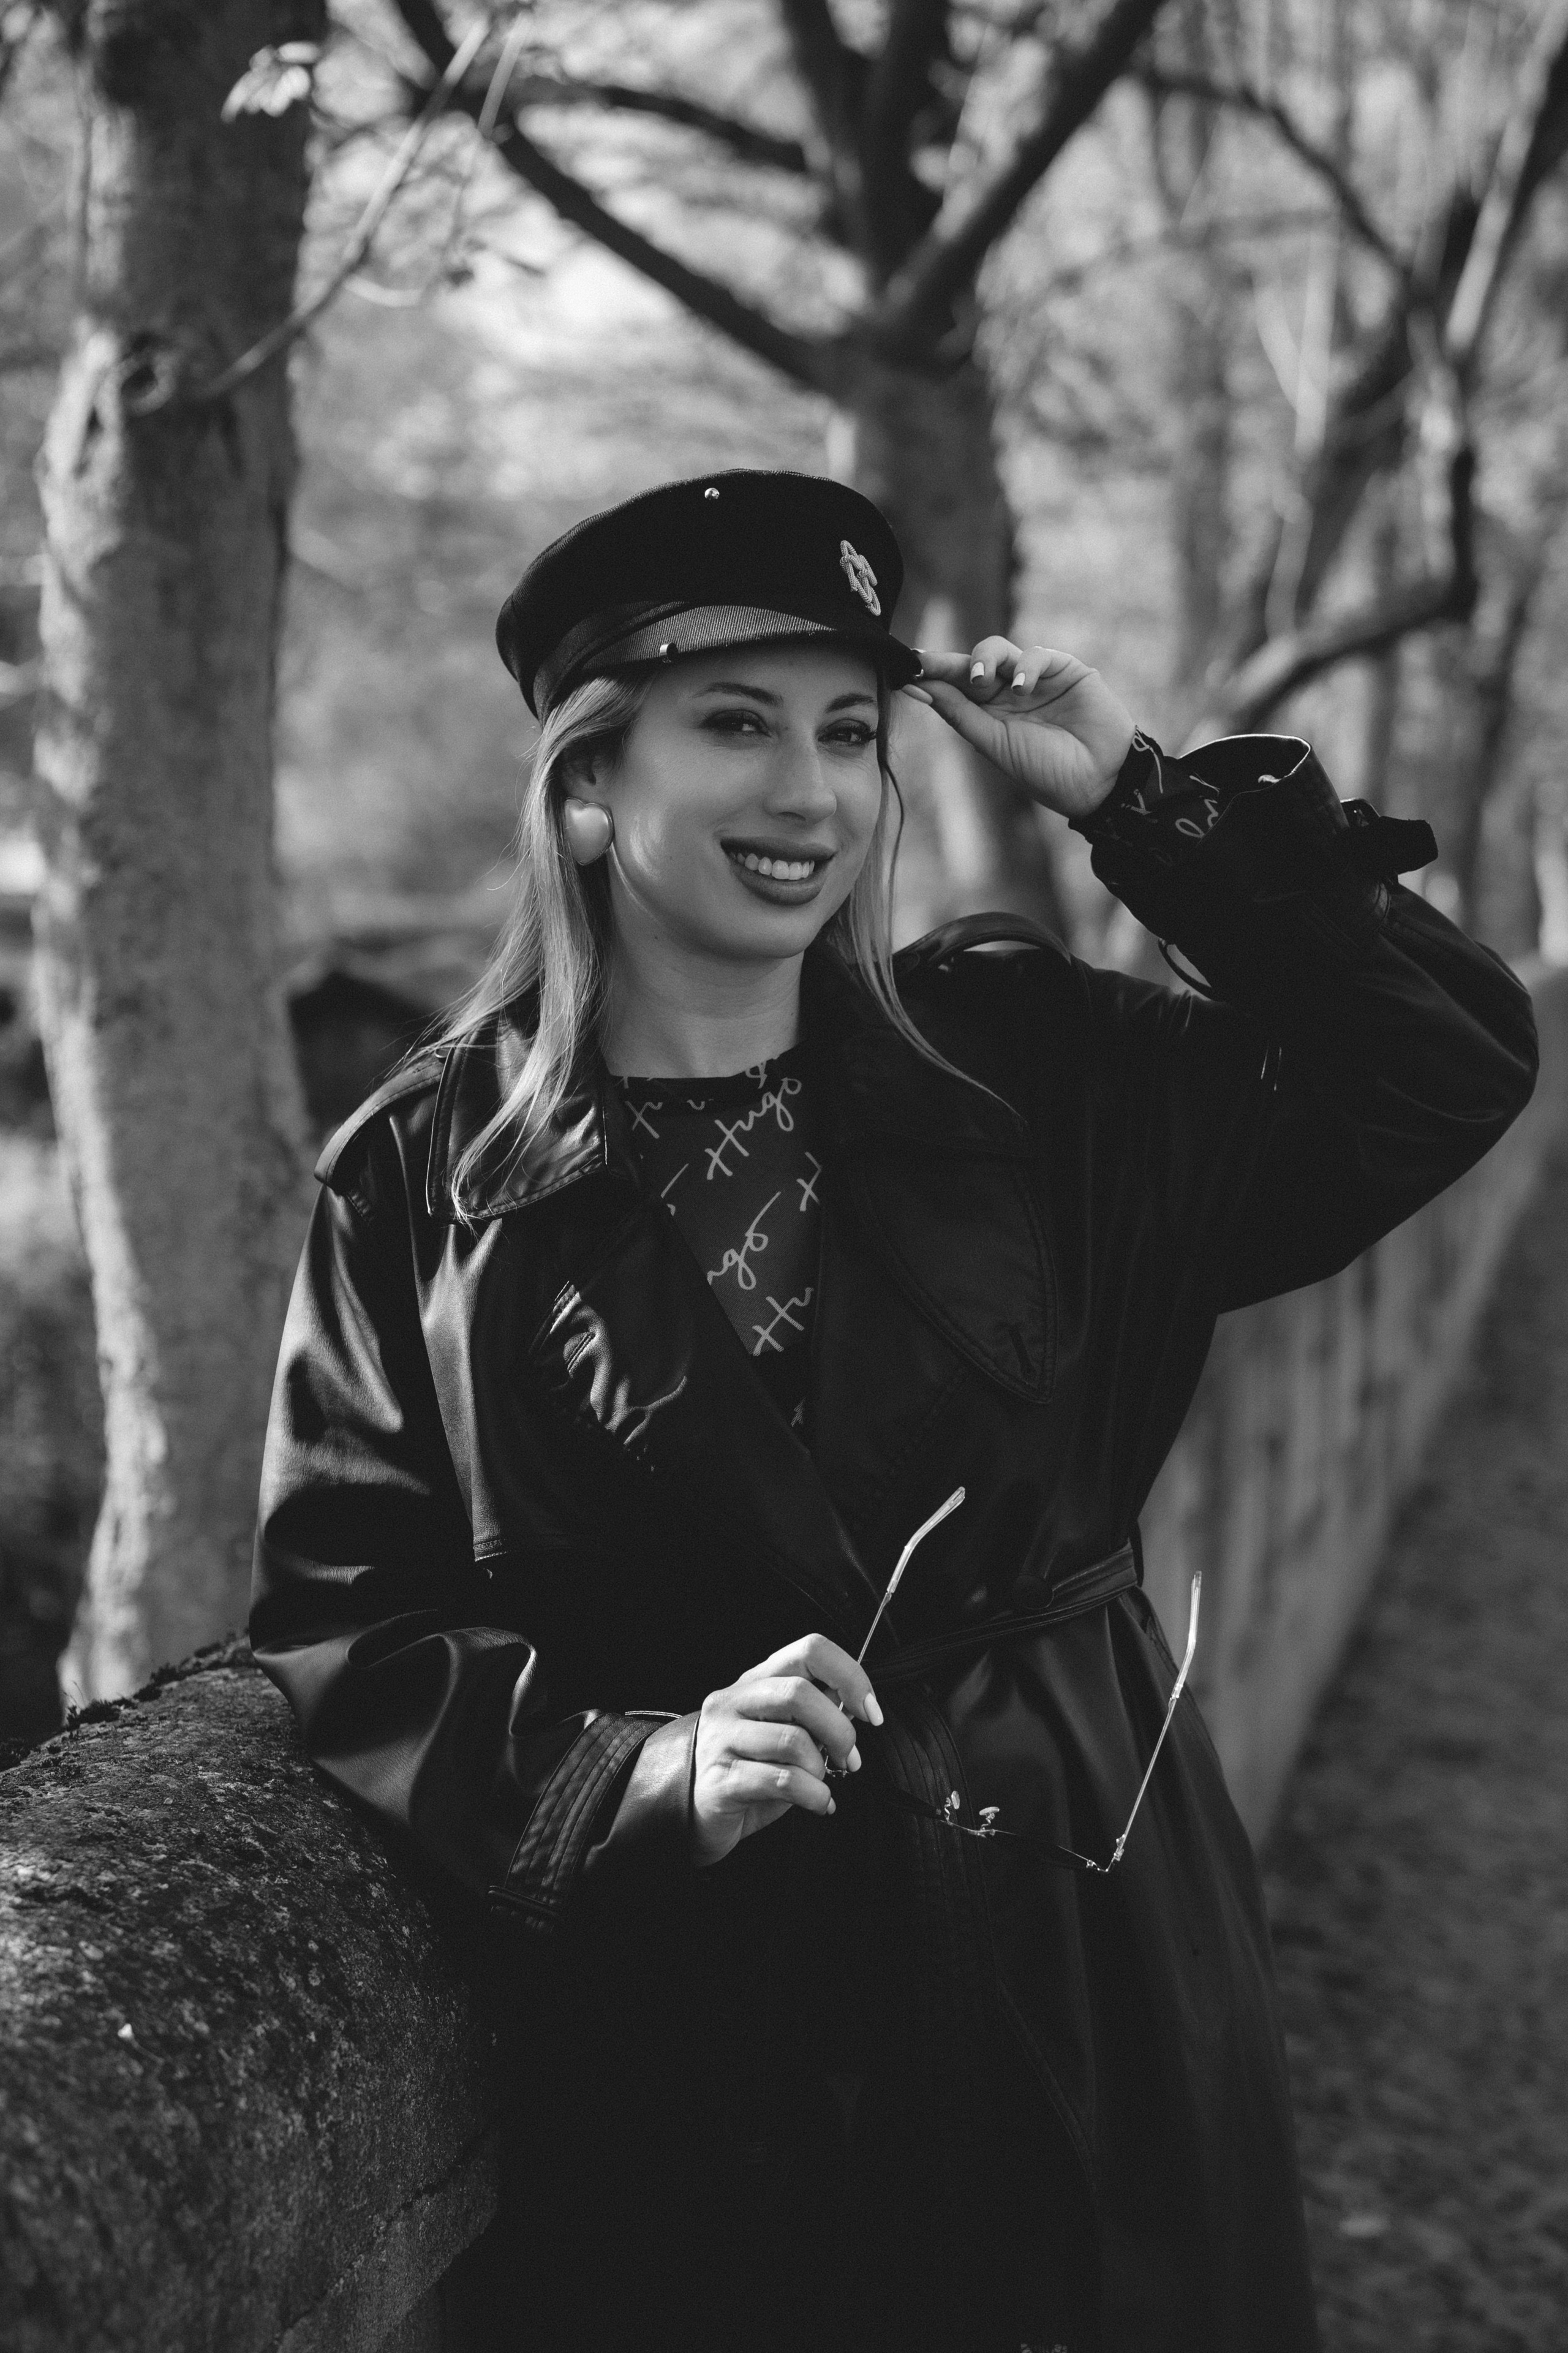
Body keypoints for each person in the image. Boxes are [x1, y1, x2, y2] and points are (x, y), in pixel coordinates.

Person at [251, 470, 1537, 2353]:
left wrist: (1141, 802)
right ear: (593, 787)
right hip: (713, 2035)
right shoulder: (421, 1183)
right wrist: (632, 1770)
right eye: (739, 726)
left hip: (1081, 1944)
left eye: (849, 734)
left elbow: (1439, 1069)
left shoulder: (1021, 1067)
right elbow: (342, 1615)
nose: (810, 793)